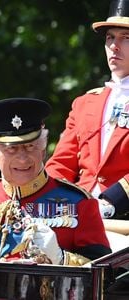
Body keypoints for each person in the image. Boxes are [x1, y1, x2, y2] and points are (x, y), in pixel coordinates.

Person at [0, 98, 111, 266]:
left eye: (30, 146)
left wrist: (62, 258)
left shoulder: (78, 202)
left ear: (43, 150)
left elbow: (104, 275)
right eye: (11, 149)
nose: (23, 158)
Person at [45, 0, 129, 249]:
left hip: (122, 222)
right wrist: (51, 200)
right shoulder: (85, 103)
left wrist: (111, 200)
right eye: (110, 37)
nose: (114, 46)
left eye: (126, 37)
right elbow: (60, 163)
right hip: (75, 217)